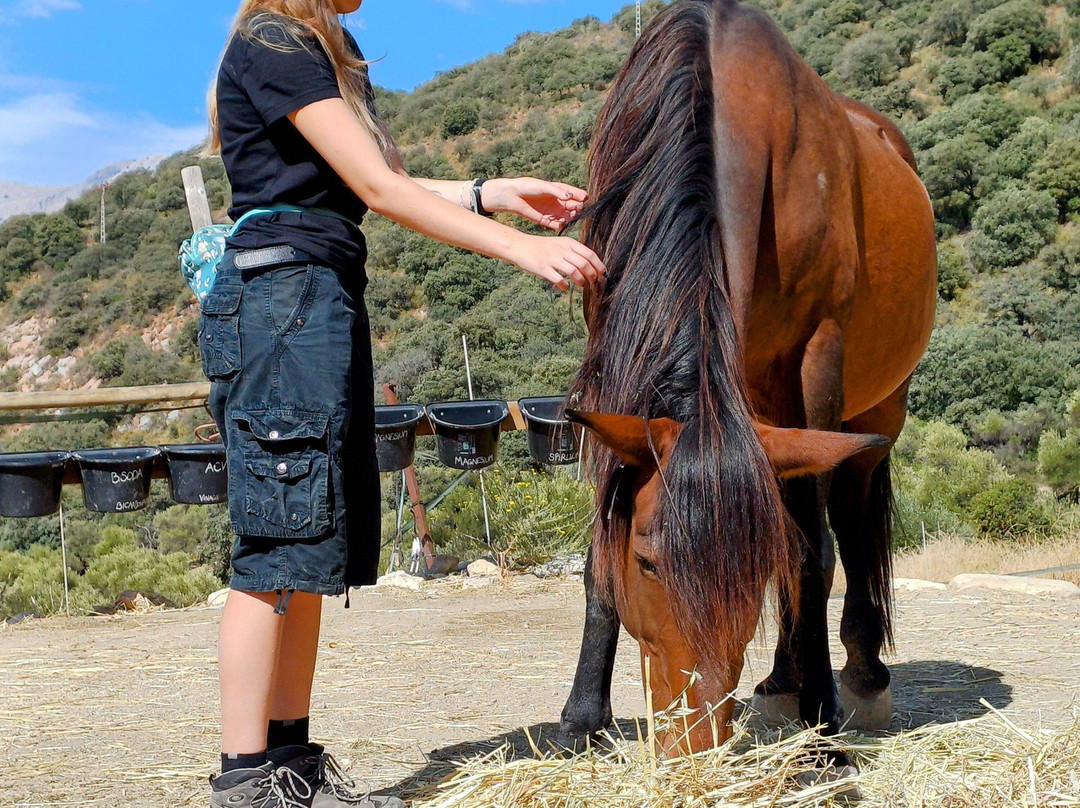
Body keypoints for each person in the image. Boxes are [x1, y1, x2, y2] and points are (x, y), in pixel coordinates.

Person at [201, 0, 605, 806]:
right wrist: (520, 249)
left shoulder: (326, 42)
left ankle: (292, 770)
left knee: (311, 548)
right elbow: (377, 187)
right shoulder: (273, 37)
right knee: (276, 543)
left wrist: (493, 193)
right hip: (281, 300)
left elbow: (375, 182)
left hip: (315, 297)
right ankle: (246, 784)